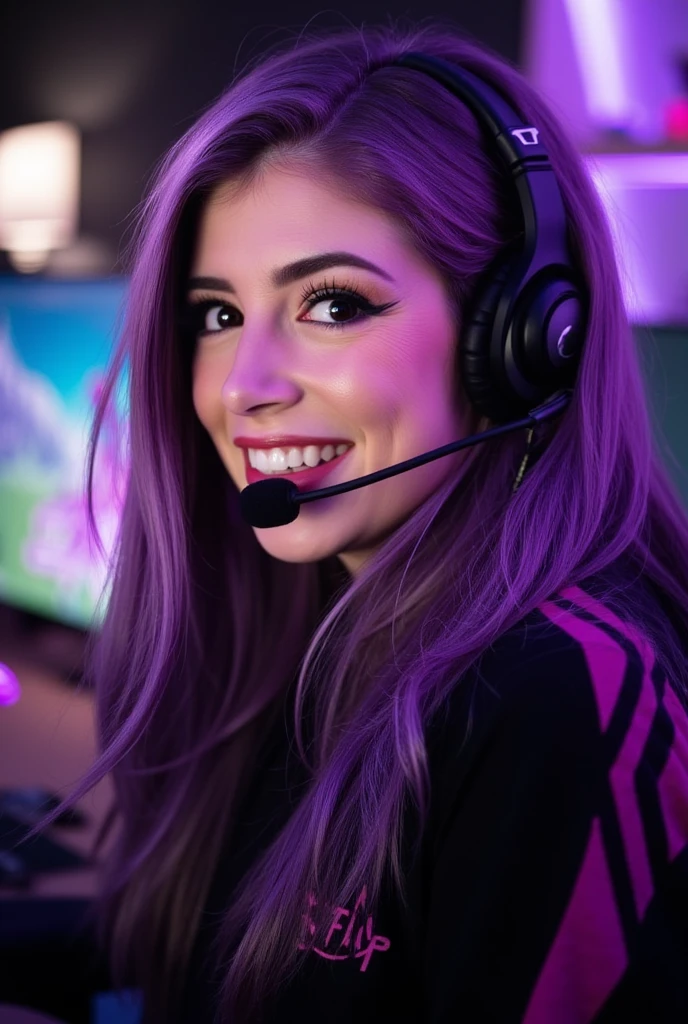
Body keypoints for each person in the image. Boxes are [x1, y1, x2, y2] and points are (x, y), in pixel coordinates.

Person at [36, 18, 688, 1024]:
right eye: (215, 314)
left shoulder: (564, 699)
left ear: (521, 339)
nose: (243, 386)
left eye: (332, 304)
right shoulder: (310, 629)